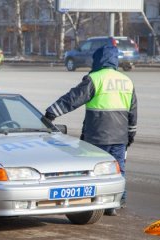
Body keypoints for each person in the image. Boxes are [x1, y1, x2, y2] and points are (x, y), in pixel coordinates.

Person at [45, 45, 137, 216]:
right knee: (118, 169)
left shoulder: (94, 79)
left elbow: (72, 99)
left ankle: (93, 203)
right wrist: (130, 135)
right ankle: (116, 203)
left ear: (98, 60)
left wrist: (51, 113)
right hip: (119, 136)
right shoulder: (126, 81)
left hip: (96, 135)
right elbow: (133, 112)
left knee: (93, 170)